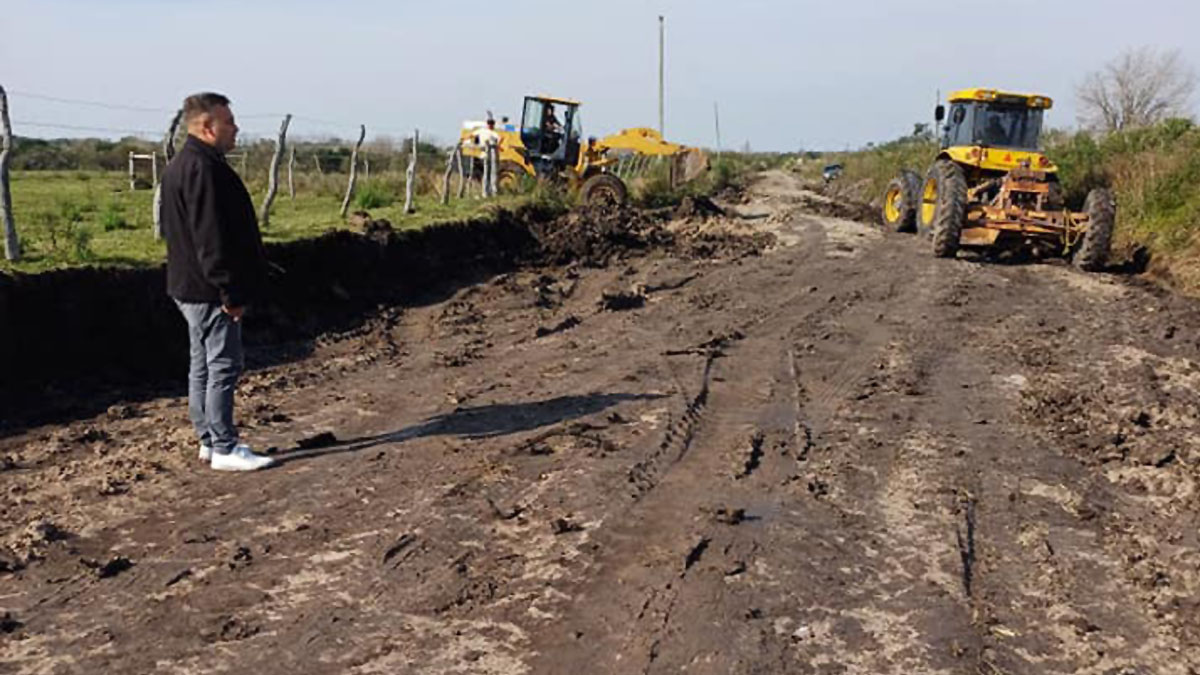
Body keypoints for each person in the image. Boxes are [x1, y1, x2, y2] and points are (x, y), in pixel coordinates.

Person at [161, 92, 276, 472]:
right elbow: (210, 238)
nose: (236, 128)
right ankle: (225, 447)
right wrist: (230, 291)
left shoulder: (183, 164)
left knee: (203, 365)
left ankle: (209, 441)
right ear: (207, 127)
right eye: (229, 122)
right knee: (223, 365)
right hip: (209, 290)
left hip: (189, 286)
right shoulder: (204, 169)